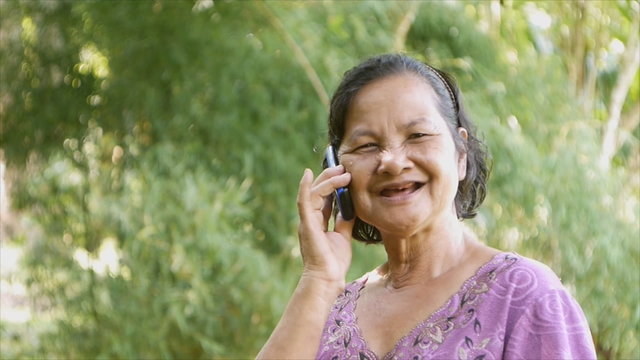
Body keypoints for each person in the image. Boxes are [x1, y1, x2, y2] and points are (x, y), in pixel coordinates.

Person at [257, 54, 596, 359]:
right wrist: (319, 277)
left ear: (460, 155)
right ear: (338, 171)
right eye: (366, 146)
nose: (391, 161)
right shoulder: (328, 310)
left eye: (417, 136)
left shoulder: (524, 295)